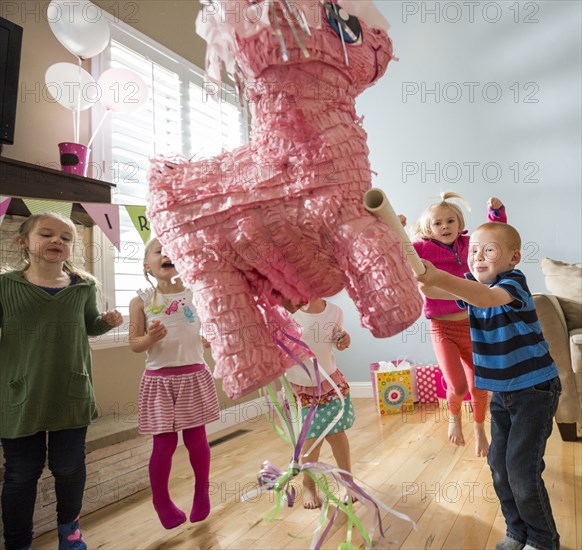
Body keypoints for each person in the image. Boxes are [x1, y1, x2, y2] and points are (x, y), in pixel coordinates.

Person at [148, 0, 423, 400]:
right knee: (229, 307)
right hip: (202, 214)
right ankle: (245, 360)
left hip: (325, 198)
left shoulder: (344, 149)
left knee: (351, 220)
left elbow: (345, 215)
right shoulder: (271, 29)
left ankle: (385, 306)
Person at [416, 222, 561, 550]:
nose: (478, 256)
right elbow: (436, 291)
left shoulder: (513, 284)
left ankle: (542, 540)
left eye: (489, 250)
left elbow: (484, 298)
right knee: (498, 465)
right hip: (502, 393)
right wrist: (423, 276)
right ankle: (517, 532)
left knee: (521, 471)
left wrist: (439, 277)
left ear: (514, 257)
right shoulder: (471, 285)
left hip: (535, 391)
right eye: (475, 250)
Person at [0, 212, 123, 550]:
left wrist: (106, 322)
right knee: (21, 473)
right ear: (24, 242)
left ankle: (70, 533)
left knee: (69, 468)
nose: (57, 241)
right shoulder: (5, 287)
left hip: (71, 391)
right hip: (19, 394)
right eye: (47, 234)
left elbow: (89, 326)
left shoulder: (82, 287)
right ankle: (17, 543)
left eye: (66, 238)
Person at [129, 238, 220, 529]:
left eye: (171, 250)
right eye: (159, 251)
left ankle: (201, 492)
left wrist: (206, 339)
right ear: (147, 265)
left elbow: (203, 331)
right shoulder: (140, 301)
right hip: (159, 381)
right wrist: (150, 338)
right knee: (164, 445)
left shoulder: (196, 295)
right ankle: (162, 501)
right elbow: (135, 344)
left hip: (194, 376)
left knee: (196, 440)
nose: (166, 254)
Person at [411, 193, 507, 456]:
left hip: (473, 326)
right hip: (442, 329)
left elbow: (495, 237)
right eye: (438, 223)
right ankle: (454, 417)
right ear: (428, 229)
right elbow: (400, 253)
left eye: (450, 221)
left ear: (459, 222)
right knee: (458, 385)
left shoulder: (469, 244)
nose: (445, 227)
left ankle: (479, 429)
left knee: (479, 385)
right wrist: (391, 228)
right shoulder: (421, 248)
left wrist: (495, 214)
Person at [285, 298, 354, 509]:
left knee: (336, 433)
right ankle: (309, 484)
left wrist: (343, 340)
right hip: (301, 387)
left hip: (329, 382)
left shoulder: (334, 311)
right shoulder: (287, 311)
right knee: (310, 438)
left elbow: (335, 340)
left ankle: (347, 481)